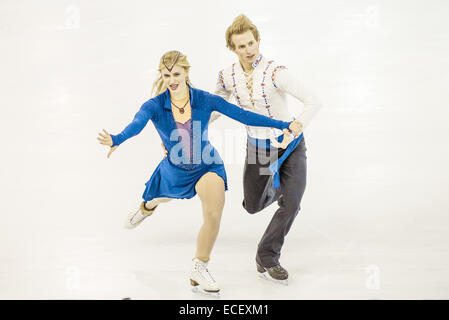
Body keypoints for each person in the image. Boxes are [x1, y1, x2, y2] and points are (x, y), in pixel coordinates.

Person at [97, 50, 303, 294]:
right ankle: (145, 208)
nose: (171, 79)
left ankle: (199, 267)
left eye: (176, 74)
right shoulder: (154, 105)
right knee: (157, 199)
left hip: (207, 165)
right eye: (166, 75)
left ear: (186, 72)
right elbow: (137, 124)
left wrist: (283, 124)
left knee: (214, 214)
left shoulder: (205, 100)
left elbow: (244, 115)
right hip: (175, 170)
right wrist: (117, 138)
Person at [211, 15, 322, 283]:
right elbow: (214, 108)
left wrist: (297, 124)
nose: (248, 50)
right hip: (259, 150)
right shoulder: (227, 76)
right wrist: (190, 122)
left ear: (258, 40)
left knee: (292, 205)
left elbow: (313, 100)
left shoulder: (275, 72)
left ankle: (267, 255)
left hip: (290, 146)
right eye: (241, 46)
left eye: (251, 43)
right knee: (251, 205)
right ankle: (280, 191)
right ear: (232, 48)